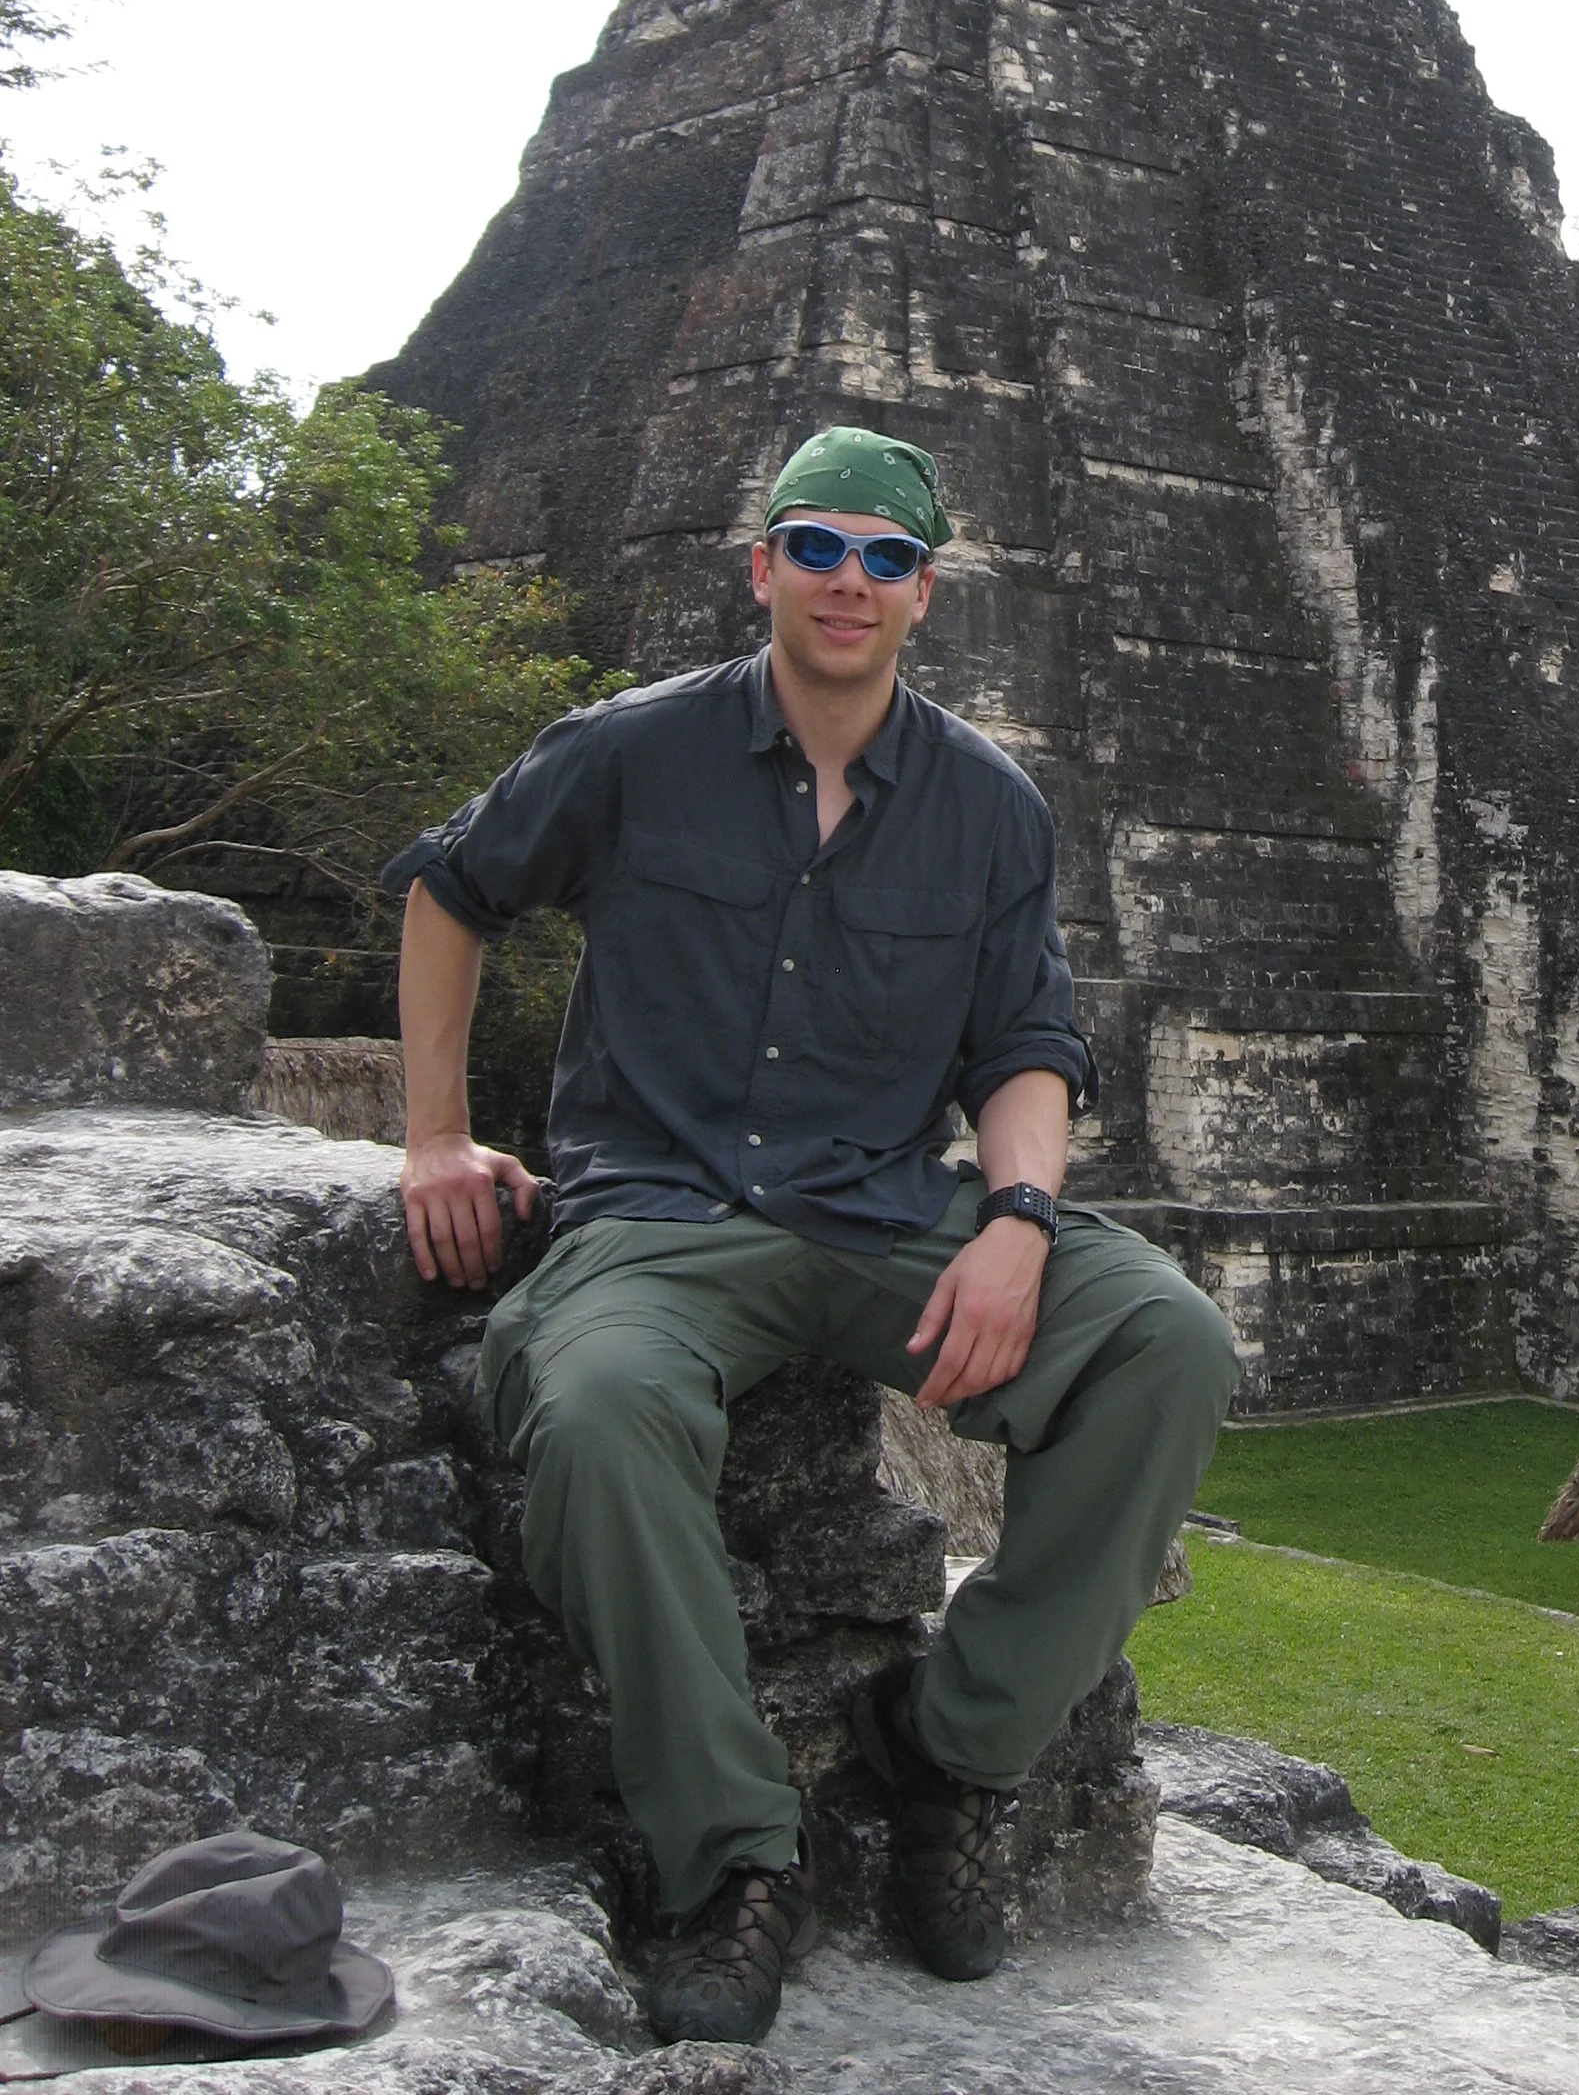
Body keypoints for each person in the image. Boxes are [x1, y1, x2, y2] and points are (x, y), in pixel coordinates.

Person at [381, 426, 1239, 2045]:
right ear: (762, 563)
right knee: (594, 1410)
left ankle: (950, 1745)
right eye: (820, 547)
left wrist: (1020, 1222)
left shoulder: (988, 806)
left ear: (929, 593)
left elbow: (1029, 1049)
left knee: (1165, 1344)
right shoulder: (630, 752)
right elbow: (450, 890)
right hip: (658, 1215)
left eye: (888, 557)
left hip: (884, 1213)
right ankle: (731, 1858)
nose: (852, 583)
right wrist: (432, 1135)